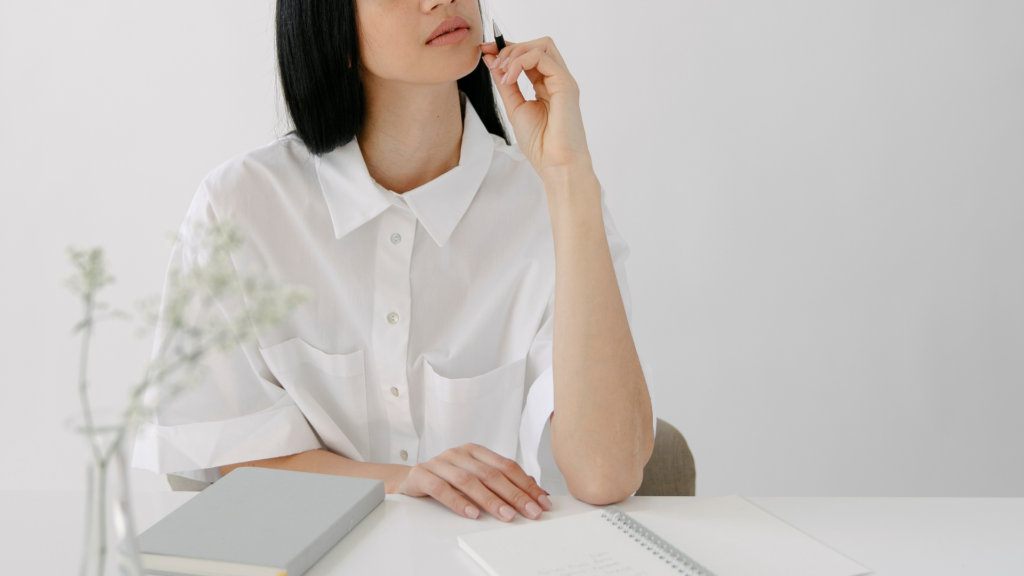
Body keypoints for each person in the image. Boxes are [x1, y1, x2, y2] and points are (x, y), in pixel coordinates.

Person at [132, 0, 655, 523]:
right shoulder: (241, 205)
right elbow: (236, 454)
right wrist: (406, 482)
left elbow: (606, 473)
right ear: (326, 20)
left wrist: (567, 174)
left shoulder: (552, 202)